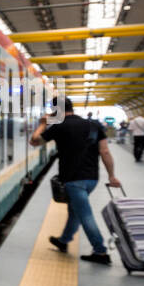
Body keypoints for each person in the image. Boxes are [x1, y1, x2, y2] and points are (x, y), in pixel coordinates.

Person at [31, 97, 120, 265]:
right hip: (92, 178)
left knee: (84, 214)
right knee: (75, 210)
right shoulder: (94, 125)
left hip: (73, 178)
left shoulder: (59, 126)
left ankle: (100, 252)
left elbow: (34, 141)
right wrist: (112, 176)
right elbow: (105, 152)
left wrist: (43, 123)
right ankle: (64, 240)